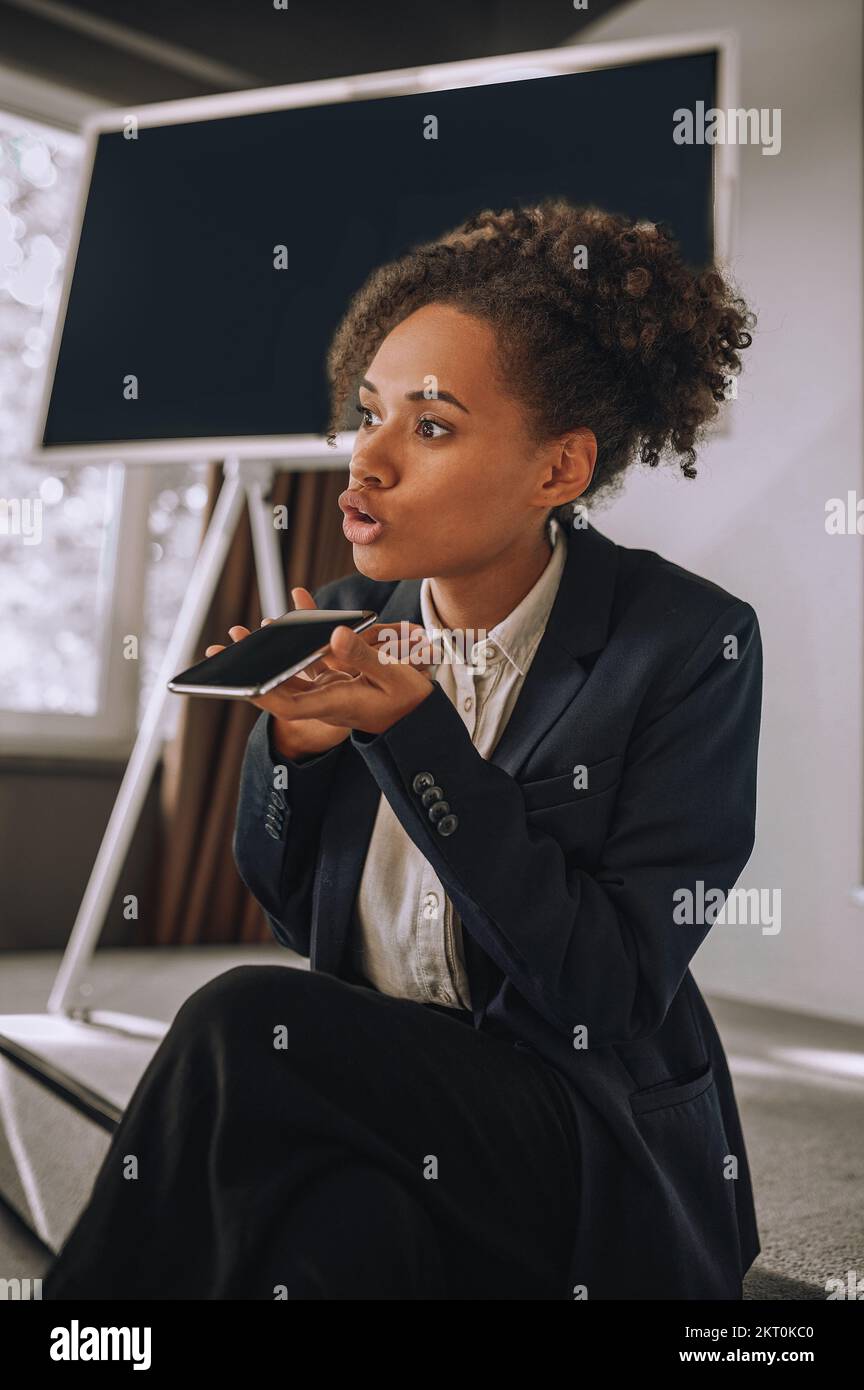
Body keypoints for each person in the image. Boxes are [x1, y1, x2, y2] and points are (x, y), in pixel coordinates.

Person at [43, 199, 761, 1301]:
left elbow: (603, 992)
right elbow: (300, 916)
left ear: (558, 470)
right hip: (383, 1097)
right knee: (335, 1241)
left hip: (574, 1124)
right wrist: (294, 749)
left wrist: (413, 735)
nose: (363, 459)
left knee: (245, 1019)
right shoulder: (341, 615)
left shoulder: (686, 645)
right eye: (367, 412)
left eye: (429, 427)